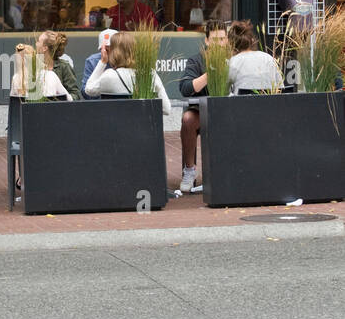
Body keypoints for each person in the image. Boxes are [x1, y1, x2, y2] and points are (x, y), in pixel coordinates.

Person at [177, 20, 227, 193]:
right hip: (202, 112)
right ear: (206, 41)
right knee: (188, 119)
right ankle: (189, 170)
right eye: (214, 39)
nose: (219, 44)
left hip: (228, 111)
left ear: (227, 40)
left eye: (222, 39)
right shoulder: (197, 60)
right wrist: (209, 73)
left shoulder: (234, 59)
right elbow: (185, 89)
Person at [85, 32, 171, 114]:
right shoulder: (150, 74)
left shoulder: (109, 76)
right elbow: (166, 109)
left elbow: (88, 90)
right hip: (143, 127)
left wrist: (103, 62)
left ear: (113, 53)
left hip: (115, 127)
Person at [226, 20, 281, 93]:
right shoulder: (268, 59)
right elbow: (280, 89)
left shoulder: (232, 63)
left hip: (241, 103)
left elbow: (224, 94)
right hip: (270, 103)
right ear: (252, 40)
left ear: (231, 44)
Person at [81, 28, 116, 98]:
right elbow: (85, 92)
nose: (107, 52)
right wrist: (102, 63)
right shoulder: (92, 61)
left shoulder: (127, 60)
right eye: (105, 49)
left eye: (111, 48)